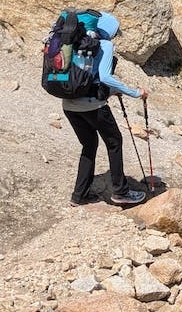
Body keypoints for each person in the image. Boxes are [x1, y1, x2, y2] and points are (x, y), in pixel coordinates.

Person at [61, 11, 148, 206]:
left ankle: (79, 195)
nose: (114, 36)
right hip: (93, 107)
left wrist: (108, 92)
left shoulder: (74, 44)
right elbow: (106, 77)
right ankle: (121, 192)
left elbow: (85, 78)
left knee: (89, 145)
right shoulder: (104, 45)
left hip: (69, 104)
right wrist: (135, 93)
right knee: (115, 142)